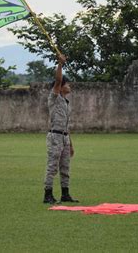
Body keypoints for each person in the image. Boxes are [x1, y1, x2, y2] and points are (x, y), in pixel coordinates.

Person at [43, 53, 79, 204]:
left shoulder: (65, 102)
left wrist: (70, 143)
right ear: (60, 87)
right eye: (67, 84)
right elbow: (58, 80)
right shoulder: (55, 97)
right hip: (55, 137)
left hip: (63, 136)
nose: (69, 86)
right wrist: (60, 64)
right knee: (52, 166)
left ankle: (65, 194)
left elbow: (66, 125)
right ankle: (48, 194)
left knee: (65, 167)